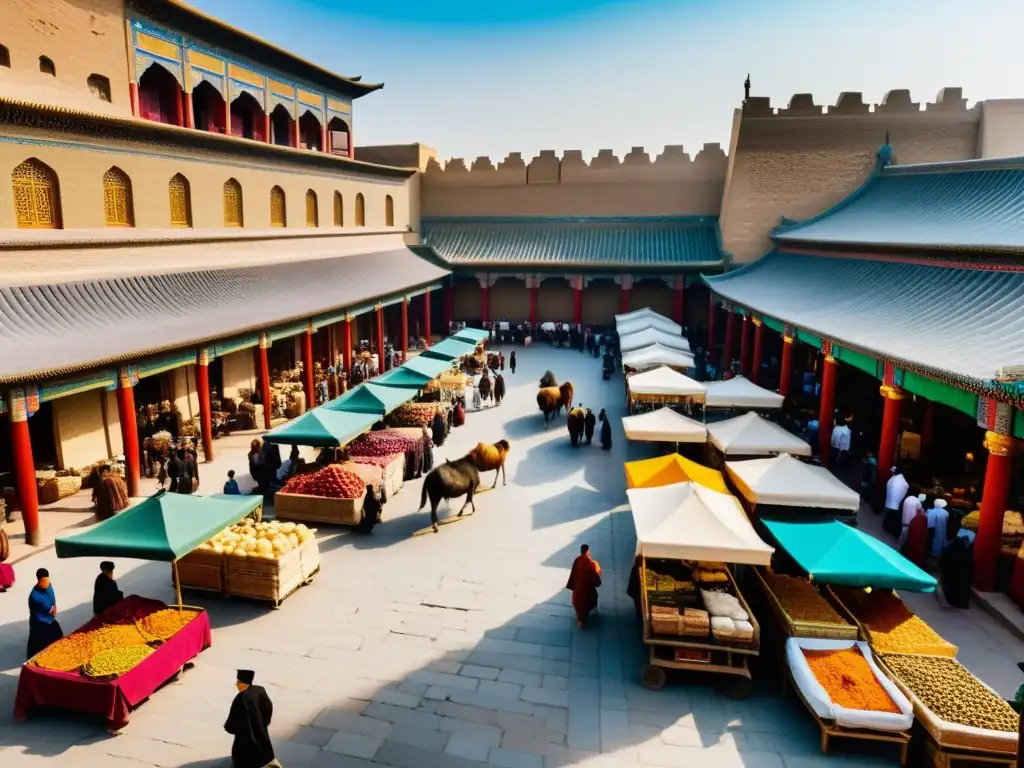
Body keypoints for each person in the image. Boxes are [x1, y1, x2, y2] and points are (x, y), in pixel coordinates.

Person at [224, 669, 277, 768]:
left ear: (245, 683)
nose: (237, 685)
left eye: (239, 682)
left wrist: (231, 727)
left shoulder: (241, 698)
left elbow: (233, 716)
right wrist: (265, 721)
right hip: (260, 729)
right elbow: (268, 706)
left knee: (243, 755)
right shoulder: (260, 690)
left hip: (244, 734)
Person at [27, 568, 62, 659]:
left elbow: (52, 600)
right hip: (40, 623)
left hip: (49, 619)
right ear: (39, 580)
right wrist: (53, 610)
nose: (46, 583)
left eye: (47, 580)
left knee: (57, 637)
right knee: (38, 645)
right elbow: (48, 608)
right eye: (44, 581)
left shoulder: (49, 586)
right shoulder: (35, 596)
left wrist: (54, 608)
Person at [566, 544, 602, 629]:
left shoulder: (577, 560)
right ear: (587, 551)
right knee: (588, 601)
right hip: (587, 591)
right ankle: (582, 620)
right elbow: (595, 578)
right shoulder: (591, 564)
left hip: (578, 590)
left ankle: (581, 619)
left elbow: (573, 574)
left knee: (579, 605)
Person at [882, 467, 909, 537]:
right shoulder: (903, 482)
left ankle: (887, 526)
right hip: (896, 504)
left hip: (891, 502)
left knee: (891, 515)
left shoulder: (892, 479)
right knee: (894, 516)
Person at [625, 555, 643, 632]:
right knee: (639, 606)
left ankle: (640, 622)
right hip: (638, 592)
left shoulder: (635, 569)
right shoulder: (639, 570)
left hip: (635, 592)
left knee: (638, 606)